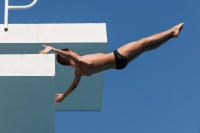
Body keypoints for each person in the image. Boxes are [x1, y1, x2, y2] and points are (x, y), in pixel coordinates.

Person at [39, 23, 184, 104]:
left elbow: (74, 85)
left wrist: (64, 95)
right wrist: (53, 49)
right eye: (71, 51)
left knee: (146, 48)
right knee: (143, 41)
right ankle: (171, 30)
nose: (74, 51)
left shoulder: (79, 72)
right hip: (118, 56)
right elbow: (71, 54)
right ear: (69, 57)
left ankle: (172, 35)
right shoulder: (80, 61)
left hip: (119, 65)